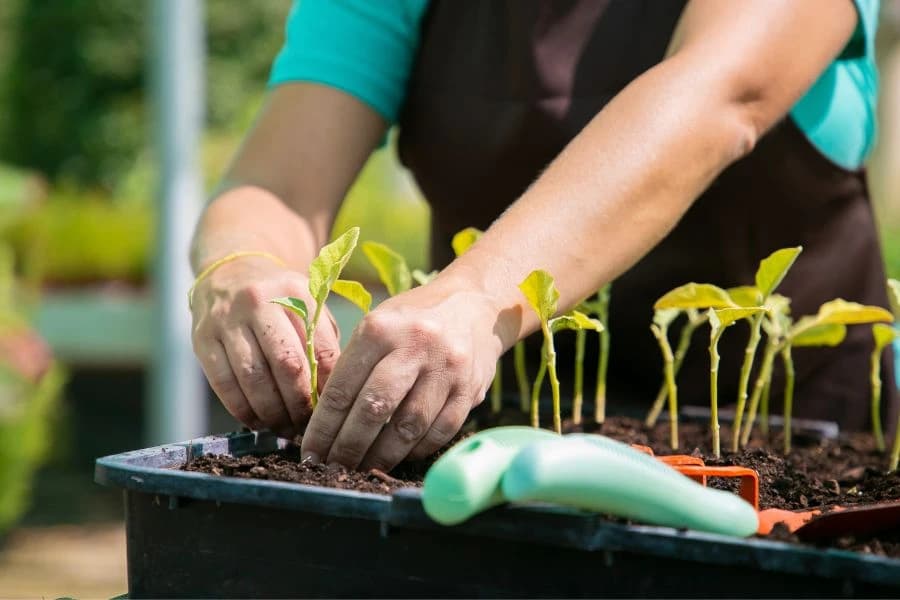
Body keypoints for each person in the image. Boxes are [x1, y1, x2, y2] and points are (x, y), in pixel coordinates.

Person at [190, 0, 897, 472]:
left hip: (789, 454)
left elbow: (719, 93)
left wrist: (475, 298)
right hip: (492, 453)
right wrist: (240, 263)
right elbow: (279, 184)